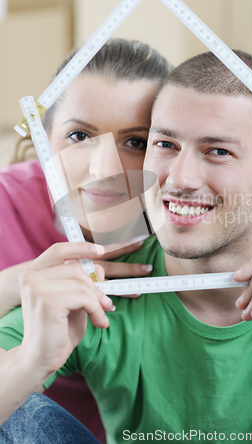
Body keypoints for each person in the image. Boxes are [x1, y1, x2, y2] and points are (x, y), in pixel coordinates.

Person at [0, 50, 252, 442]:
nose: (181, 178)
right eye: (165, 144)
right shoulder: (97, 291)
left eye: (218, 151)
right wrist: (31, 361)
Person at [0, 38, 171, 442]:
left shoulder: (182, 209)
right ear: (43, 141)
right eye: (79, 136)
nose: (104, 168)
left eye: (136, 142)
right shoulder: (7, 201)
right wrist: (12, 283)